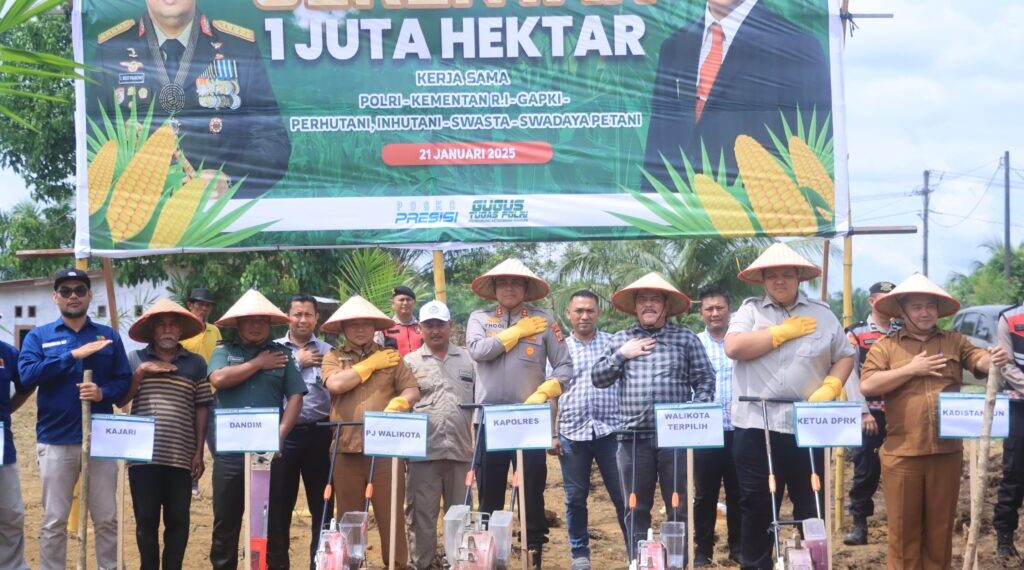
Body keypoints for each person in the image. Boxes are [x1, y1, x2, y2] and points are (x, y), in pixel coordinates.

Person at [861, 274, 1009, 570]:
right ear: (902, 311)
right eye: (916, 307)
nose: (924, 312)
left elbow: (977, 359)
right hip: (903, 454)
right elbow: (868, 384)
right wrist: (912, 369)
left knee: (940, 532)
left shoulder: (954, 342)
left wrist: (992, 358)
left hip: (946, 453)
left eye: (930, 306)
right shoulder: (886, 347)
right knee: (903, 534)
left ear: (938, 310)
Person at [724, 244, 855, 570]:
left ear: (799, 278)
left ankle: (811, 563)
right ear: (763, 280)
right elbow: (735, 346)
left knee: (811, 501)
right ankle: (756, 565)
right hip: (756, 423)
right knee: (755, 502)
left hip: (807, 424)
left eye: (787, 275)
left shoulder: (822, 314)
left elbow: (845, 356)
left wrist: (832, 385)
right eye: (773, 276)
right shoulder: (750, 311)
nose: (780, 281)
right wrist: (780, 333)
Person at [89, 0, 291, 198]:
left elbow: (274, 144)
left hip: (215, 221)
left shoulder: (238, 48)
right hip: (137, 220)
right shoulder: (110, 51)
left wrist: (229, 180)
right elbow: (90, 145)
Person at [592, 272, 716, 562]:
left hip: (675, 440)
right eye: (642, 300)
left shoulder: (684, 338)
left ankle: (676, 563)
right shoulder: (621, 339)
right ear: (634, 307)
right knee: (635, 507)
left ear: (666, 306)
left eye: (654, 299)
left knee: (678, 506)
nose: (648, 305)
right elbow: (598, 378)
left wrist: (691, 416)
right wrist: (621, 355)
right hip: (632, 439)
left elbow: (705, 380)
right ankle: (639, 562)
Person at [642, 0, 832, 189]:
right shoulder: (674, 46)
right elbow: (658, 143)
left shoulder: (797, 46)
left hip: (757, 211)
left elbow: (814, 150)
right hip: (681, 212)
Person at [17, 268, 132, 570]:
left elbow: (124, 381)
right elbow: (28, 375)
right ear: (55, 296)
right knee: (54, 520)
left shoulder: (108, 337)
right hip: (56, 440)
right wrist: (73, 355)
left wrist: (101, 392)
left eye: (79, 289)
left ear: (89, 295)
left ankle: (108, 567)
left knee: (106, 518)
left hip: (101, 440)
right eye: (65, 291)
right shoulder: (39, 337)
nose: (73, 296)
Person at [466, 258, 573, 569]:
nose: (509, 287)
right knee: (489, 493)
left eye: (515, 282)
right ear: (495, 288)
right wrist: (515, 332)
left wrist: (547, 389)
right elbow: (478, 351)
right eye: (502, 283)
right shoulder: (480, 318)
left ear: (526, 288)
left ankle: (532, 555)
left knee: (530, 493)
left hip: (529, 421)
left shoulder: (544, 320)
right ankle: (488, 559)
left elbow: (565, 365)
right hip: (489, 419)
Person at [207, 289, 306, 570]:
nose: (255, 325)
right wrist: (258, 364)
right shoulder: (223, 350)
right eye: (249, 320)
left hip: (268, 453)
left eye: (261, 320)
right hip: (229, 455)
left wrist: (280, 434)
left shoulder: (282, 355)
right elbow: (218, 378)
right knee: (226, 522)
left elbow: (296, 397)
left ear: (269, 324)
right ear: (238, 323)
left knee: (272, 521)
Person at [320, 295, 421, 570]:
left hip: (387, 448)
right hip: (346, 448)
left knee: (391, 516)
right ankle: (352, 565)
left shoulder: (391, 357)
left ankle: (396, 566)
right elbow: (336, 385)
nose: (360, 330)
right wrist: (368, 365)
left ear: (374, 327)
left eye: (366, 324)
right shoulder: (333, 356)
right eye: (353, 325)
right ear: (344, 329)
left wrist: (402, 402)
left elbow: (412, 388)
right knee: (350, 517)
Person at [119, 298, 212, 570]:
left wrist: (198, 452)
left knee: (179, 522)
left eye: (173, 325)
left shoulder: (195, 364)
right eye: (162, 325)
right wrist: (140, 373)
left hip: (181, 457)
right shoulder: (135, 358)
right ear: (153, 331)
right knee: (145, 521)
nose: (168, 330)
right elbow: (122, 398)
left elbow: (201, 408)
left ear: (181, 330)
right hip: (142, 457)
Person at [549, 290, 627, 570]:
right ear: (568, 314)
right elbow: (552, 394)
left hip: (611, 432)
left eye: (590, 311)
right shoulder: (559, 349)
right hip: (572, 433)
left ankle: (635, 552)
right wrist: (553, 433)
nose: (584, 316)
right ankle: (579, 554)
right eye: (578, 311)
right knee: (575, 498)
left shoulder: (613, 343)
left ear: (598, 313)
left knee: (622, 495)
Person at [402, 300, 476, 570]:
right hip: (423, 455)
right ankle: (422, 565)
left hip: (461, 453)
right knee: (421, 518)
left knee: (462, 518)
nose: (435, 330)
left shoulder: (470, 359)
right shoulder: (408, 362)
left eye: (440, 325)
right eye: (429, 325)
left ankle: (459, 565)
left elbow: (481, 402)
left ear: (450, 326)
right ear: (419, 328)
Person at [267, 294, 334, 570]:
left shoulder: (330, 351)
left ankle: (320, 564)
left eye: (308, 314)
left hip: (320, 435)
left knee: (324, 506)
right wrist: (298, 360)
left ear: (317, 318)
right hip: (284, 434)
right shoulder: (273, 351)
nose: (303, 319)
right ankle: (278, 565)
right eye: (297, 314)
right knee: (279, 506)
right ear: (288, 317)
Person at [841, 280, 900, 546]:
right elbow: (850, 375)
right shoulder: (856, 333)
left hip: (901, 412)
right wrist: (863, 412)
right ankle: (859, 524)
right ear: (871, 302)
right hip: (870, 413)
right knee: (865, 467)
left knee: (903, 467)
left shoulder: (905, 330)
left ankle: (903, 522)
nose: (884, 304)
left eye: (890, 299)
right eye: (879, 299)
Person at [693, 285, 742, 566]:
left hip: (739, 429)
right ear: (701, 312)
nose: (714, 313)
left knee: (738, 492)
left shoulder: (741, 341)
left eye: (719, 308)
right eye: (709, 309)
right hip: (704, 431)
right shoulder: (694, 343)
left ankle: (738, 547)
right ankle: (703, 549)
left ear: (728, 310)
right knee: (704, 495)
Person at [0, 311, 32, 570]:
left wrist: (7, 410)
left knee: (11, 513)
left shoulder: (8, 353)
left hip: (2, 447)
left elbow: (26, 384)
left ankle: (11, 566)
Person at [996, 302, 1024, 558]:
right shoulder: (1009, 319)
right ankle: (1004, 537)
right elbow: (1004, 363)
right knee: (1014, 472)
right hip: (1019, 406)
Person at [375, 286, 423, 356]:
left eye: (408, 300)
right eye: (401, 300)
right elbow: (376, 354)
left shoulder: (423, 326)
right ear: (392, 304)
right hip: (394, 366)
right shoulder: (384, 328)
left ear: (414, 303)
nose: (405, 303)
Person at [180, 287, 221, 364]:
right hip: (187, 375)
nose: (204, 308)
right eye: (200, 304)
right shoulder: (181, 330)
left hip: (211, 375)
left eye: (208, 305)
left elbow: (220, 355)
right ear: (190, 305)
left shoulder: (215, 330)